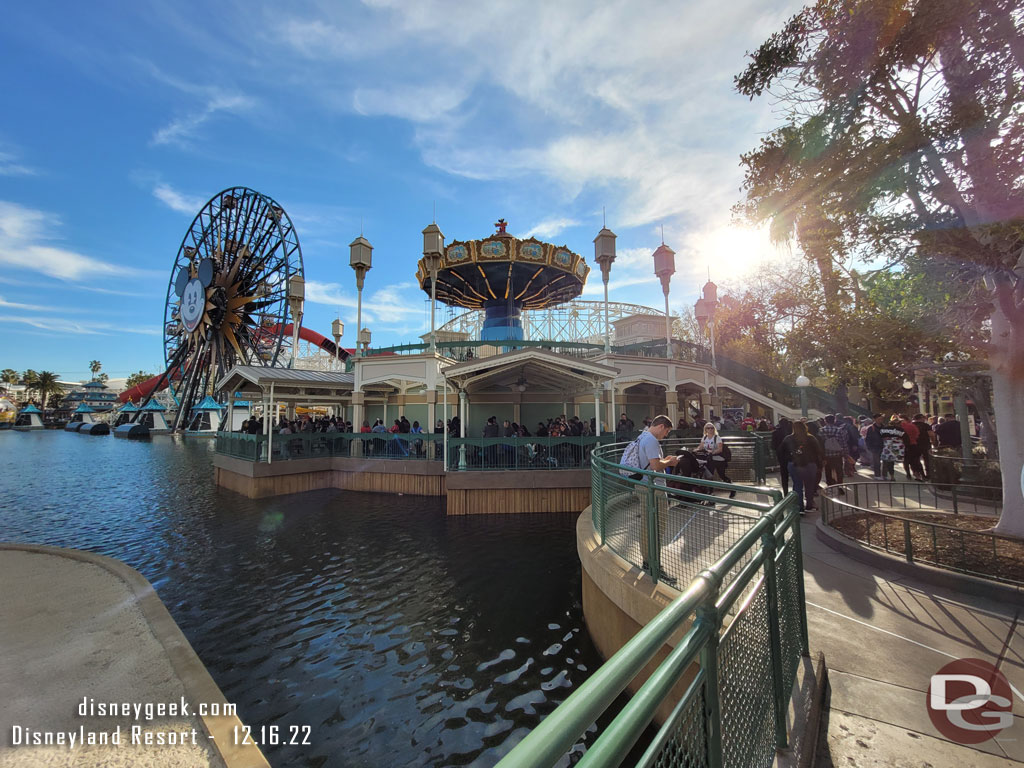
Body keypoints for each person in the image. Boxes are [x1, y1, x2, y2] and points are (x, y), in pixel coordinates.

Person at [618, 414, 682, 585]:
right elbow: (654, 466)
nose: (666, 436)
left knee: (647, 524)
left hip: (642, 486)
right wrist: (670, 462)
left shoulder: (642, 436)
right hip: (653, 488)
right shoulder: (652, 440)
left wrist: (664, 460)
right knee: (657, 526)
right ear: (661, 426)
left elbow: (650, 461)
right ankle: (654, 566)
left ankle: (648, 562)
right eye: (666, 431)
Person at [779, 420, 823, 513]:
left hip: (794, 464)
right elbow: (818, 452)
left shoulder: (788, 438)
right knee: (809, 485)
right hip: (810, 464)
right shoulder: (811, 438)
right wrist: (819, 464)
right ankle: (809, 505)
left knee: (797, 485)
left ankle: (799, 507)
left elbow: (781, 452)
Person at [697, 422, 736, 497]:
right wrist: (696, 450)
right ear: (706, 429)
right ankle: (710, 492)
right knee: (709, 475)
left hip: (718, 460)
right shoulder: (704, 437)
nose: (710, 429)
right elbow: (701, 446)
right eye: (708, 428)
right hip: (709, 459)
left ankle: (732, 488)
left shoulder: (717, 438)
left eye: (712, 428)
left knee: (722, 475)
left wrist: (712, 452)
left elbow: (720, 449)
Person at [819, 414, 849, 491]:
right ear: (834, 420)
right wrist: (845, 453)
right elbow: (843, 442)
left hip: (826, 455)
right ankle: (840, 486)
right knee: (839, 471)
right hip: (837, 454)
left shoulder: (821, 430)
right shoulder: (838, 430)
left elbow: (820, 443)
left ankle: (829, 486)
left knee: (828, 470)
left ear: (825, 421)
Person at [879, 416, 906, 481]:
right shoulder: (901, 430)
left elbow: (880, 438)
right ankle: (891, 476)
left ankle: (887, 475)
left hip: (887, 448)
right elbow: (905, 438)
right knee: (893, 462)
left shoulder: (884, 429)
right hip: (898, 448)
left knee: (887, 462)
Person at [771, 418, 793, 494]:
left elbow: (773, 446)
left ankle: (785, 492)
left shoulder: (775, 433)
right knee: (795, 475)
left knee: (784, 474)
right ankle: (795, 492)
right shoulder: (792, 432)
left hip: (781, 455)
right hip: (792, 455)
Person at [864, 414, 885, 478]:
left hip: (884, 446)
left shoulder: (884, 427)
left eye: (881, 419)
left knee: (885, 462)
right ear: (874, 419)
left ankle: (884, 475)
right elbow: (867, 438)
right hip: (875, 447)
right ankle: (877, 475)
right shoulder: (871, 428)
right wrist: (869, 447)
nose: (880, 420)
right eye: (879, 419)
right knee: (877, 462)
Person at [912, 413, 932, 480]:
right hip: (925, 444)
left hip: (914, 445)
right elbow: (931, 435)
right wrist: (934, 442)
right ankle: (928, 474)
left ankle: (921, 474)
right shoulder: (926, 425)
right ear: (921, 418)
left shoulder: (911, 426)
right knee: (927, 460)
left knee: (916, 460)